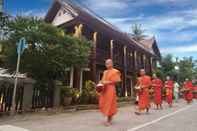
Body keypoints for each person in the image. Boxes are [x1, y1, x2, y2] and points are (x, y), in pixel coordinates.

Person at [99, 59, 121, 126]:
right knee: (103, 102)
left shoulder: (115, 71)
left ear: (112, 64)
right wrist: (100, 83)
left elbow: (117, 81)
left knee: (110, 103)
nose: (107, 65)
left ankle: (109, 120)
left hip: (111, 89)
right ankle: (109, 118)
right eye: (106, 64)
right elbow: (103, 80)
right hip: (104, 89)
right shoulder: (105, 72)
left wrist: (107, 82)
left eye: (108, 63)